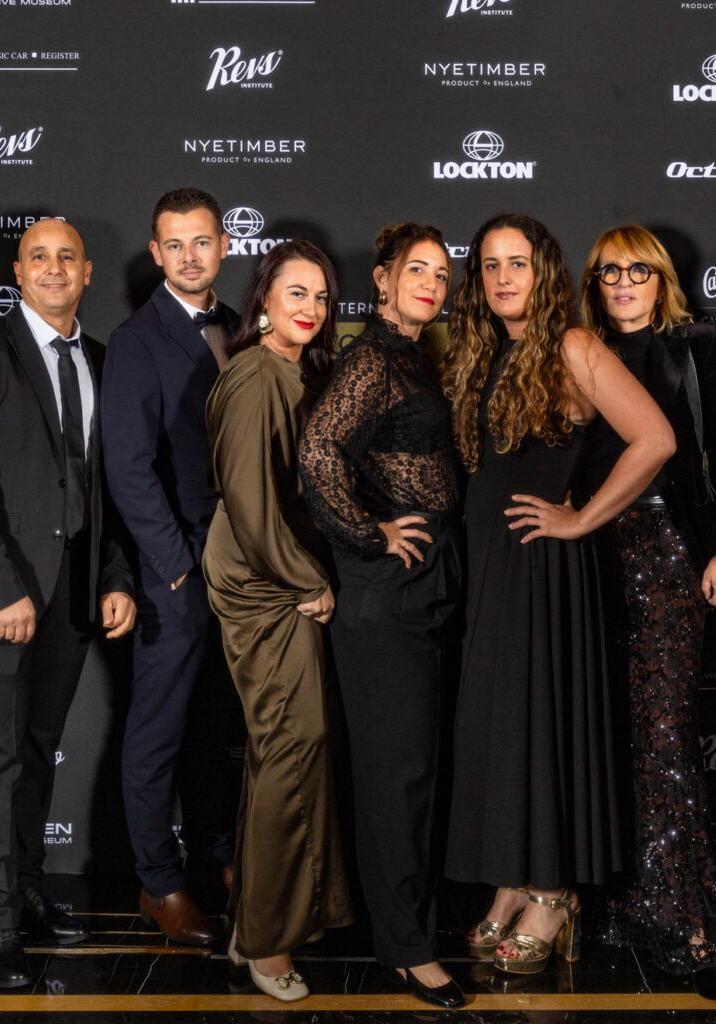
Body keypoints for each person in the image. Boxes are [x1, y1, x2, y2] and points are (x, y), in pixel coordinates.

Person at [443, 213, 674, 976]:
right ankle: (514, 878)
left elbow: (656, 439)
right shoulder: (484, 350)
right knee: (504, 728)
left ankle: (554, 893)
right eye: (490, 265)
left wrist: (580, 519)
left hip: (543, 571)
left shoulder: (572, 346)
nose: (503, 277)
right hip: (491, 571)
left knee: (540, 725)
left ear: (544, 272)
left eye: (518, 263)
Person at [0, 218, 137, 988]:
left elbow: (105, 488)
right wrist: (2, 586)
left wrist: (115, 576)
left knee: (37, 748)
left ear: (87, 272)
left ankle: (24, 888)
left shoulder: (100, 359)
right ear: (17, 272)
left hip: (73, 592)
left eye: (67, 258)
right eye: (39, 257)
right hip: (0, 595)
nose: (54, 269)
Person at [576, 225, 716, 1001]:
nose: (624, 283)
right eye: (610, 271)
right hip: (585, 559)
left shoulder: (702, 348)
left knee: (664, 739)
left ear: (662, 280)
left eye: (638, 271)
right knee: (599, 735)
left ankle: (690, 924)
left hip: (665, 552)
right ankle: (614, 908)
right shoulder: (576, 351)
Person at [298, 223, 467, 1009]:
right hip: (386, 589)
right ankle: (405, 949)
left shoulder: (413, 355)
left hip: (430, 580)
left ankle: (414, 925)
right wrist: (368, 533)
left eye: (441, 273)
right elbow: (318, 452)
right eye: (417, 270)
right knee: (397, 775)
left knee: (419, 769)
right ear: (384, 277)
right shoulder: (370, 358)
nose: (431, 283)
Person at [203, 240, 354, 1003]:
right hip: (263, 582)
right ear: (263, 298)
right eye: (296, 292)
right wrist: (306, 581)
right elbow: (249, 499)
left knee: (280, 752)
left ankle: (252, 925)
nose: (311, 307)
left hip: (281, 572)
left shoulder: (299, 372)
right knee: (294, 747)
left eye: (322, 296)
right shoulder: (254, 374)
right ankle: (268, 946)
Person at [101, 188, 239, 945]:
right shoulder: (136, 339)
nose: (190, 256)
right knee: (158, 730)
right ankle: (159, 883)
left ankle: (218, 863)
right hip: (175, 570)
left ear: (225, 245)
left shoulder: (243, 326)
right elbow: (127, 469)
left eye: (202, 241)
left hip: (243, 567)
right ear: (156, 254)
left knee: (217, 726)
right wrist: (178, 566)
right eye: (174, 245)